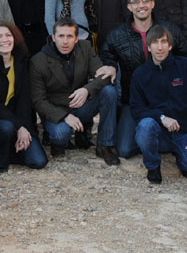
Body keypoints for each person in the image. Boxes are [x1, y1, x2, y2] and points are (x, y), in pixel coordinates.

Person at [100, 0, 187, 158]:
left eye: (145, 1)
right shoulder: (117, 35)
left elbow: (186, 53)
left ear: (152, 4)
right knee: (125, 150)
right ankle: (151, 136)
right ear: (129, 7)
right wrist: (111, 65)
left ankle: (162, 140)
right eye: (136, 2)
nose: (141, 5)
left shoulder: (168, 29)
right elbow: (106, 55)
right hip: (135, 101)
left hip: (166, 99)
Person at [30, 19, 120, 164]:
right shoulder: (38, 60)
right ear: (53, 37)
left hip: (81, 105)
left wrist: (86, 90)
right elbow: (38, 100)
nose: (65, 41)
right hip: (56, 110)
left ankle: (105, 145)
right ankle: (57, 143)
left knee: (109, 92)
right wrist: (65, 116)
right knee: (61, 134)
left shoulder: (85, 47)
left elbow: (103, 76)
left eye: (70, 36)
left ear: (76, 38)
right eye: (61, 36)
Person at [129, 25, 187, 184]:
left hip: (185, 133)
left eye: (164, 42)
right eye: (155, 42)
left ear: (170, 45)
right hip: (158, 133)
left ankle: (182, 159)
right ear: (149, 47)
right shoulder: (140, 74)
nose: (160, 47)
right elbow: (137, 110)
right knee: (145, 126)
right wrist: (161, 117)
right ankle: (153, 166)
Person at [0, 23, 47, 172]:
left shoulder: (21, 60)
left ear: (14, 38)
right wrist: (19, 127)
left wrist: (24, 129)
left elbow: (24, 100)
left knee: (39, 161)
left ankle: (11, 150)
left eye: (8, 35)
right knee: (6, 127)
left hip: (16, 117)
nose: (4, 40)